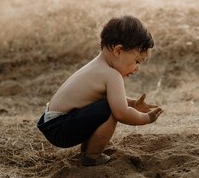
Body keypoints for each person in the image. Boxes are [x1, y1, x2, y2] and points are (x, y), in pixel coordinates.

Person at [37, 15, 163, 166]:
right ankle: (92, 156)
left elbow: (111, 98)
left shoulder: (97, 66)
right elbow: (121, 113)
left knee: (105, 106)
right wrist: (147, 118)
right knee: (109, 110)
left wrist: (133, 103)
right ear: (118, 51)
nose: (137, 68)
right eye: (137, 61)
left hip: (52, 122)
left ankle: (88, 152)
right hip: (61, 127)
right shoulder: (112, 75)